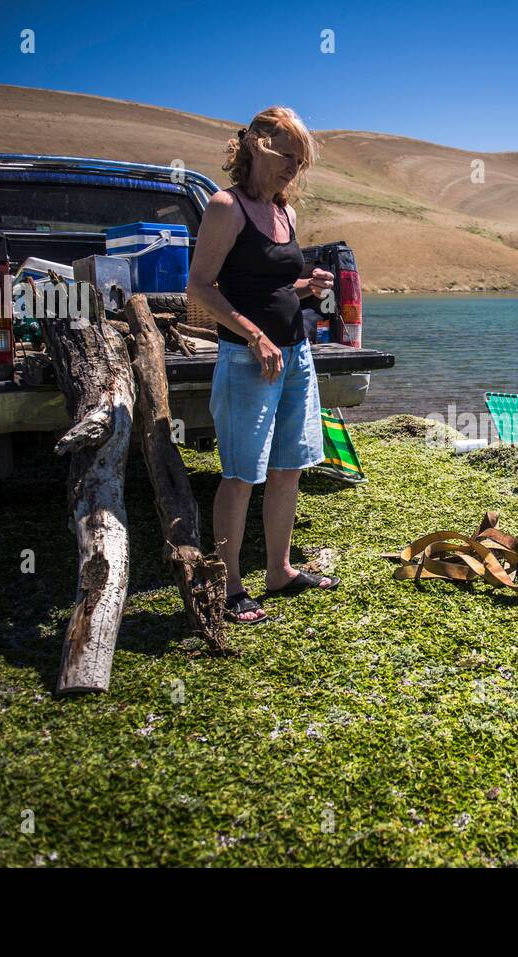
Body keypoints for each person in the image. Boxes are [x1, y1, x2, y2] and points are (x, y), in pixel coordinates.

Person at [187, 106, 339, 624]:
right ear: (256, 145)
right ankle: (228, 586)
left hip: (296, 356)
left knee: (287, 467)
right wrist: (253, 336)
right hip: (249, 359)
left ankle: (279, 570)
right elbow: (201, 287)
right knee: (240, 474)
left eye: (300, 163)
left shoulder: (285, 213)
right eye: (287, 159)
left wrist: (305, 285)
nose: (293, 171)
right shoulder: (225, 207)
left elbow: (269, 283)